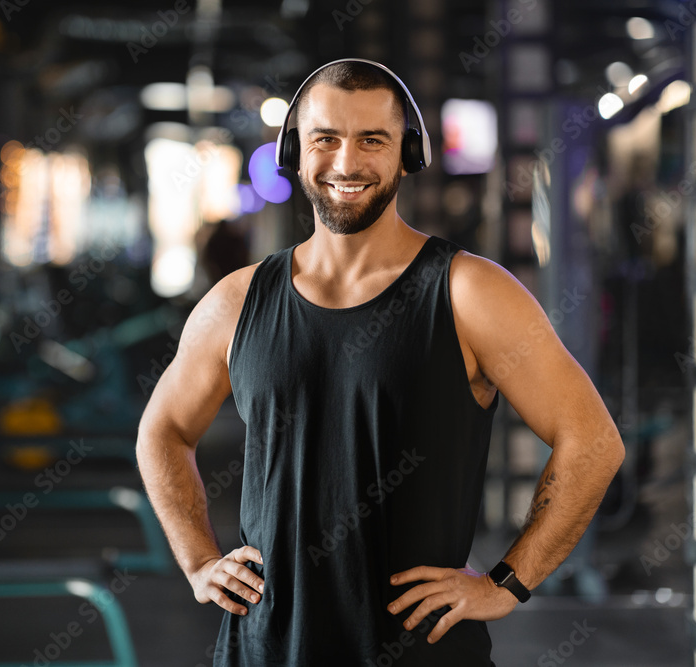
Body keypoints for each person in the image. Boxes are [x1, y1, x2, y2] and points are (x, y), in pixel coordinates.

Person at [136, 59, 625, 665]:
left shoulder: (469, 293)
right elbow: (163, 431)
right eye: (326, 139)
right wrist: (199, 561)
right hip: (265, 650)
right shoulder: (235, 304)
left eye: (373, 140)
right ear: (296, 149)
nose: (347, 163)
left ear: (407, 153)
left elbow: (592, 441)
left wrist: (507, 583)